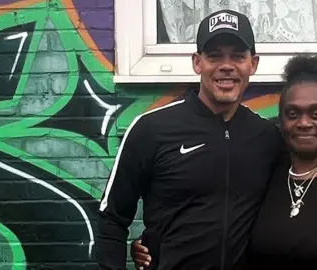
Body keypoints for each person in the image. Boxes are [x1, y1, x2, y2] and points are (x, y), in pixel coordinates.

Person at [132, 54, 317, 269]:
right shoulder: (267, 180)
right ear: (281, 122)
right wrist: (155, 243)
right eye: (293, 113)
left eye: (316, 113)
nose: (304, 123)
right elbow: (222, 224)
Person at [94, 9, 283, 270]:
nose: (226, 66)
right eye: (214, 56)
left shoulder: (267, 138)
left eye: (238, 56)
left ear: (253, 63)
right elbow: (112, 218)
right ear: (197, 62)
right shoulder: (151, 129)